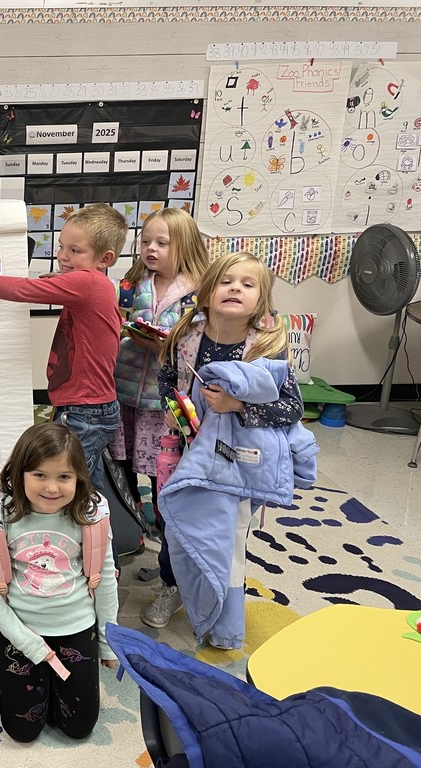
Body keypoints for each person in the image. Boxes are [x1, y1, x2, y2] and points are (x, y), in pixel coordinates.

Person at [154, 252, 308, 649]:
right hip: (187, 452)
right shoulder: (186, 339)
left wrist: (238, 406)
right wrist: (173, 411)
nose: (235, 288)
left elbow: (292, 408)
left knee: (229, 536)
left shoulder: (265, 350)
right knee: (175, 524)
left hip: (239, 462)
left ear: (261, 300)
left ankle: (224, 619)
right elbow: (167, 384)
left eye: (247, 283)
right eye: (226, 281)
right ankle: (175, 586)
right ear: (206, 293)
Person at [0, 204, 127, 493]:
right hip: (84, 406)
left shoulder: (89, 282)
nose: (62, 256)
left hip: (86, 411)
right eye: (61, 247)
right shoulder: (95, 283)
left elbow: (24, 290)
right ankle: (96, 533)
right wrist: (59, 279)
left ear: (105, 258)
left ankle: (85, 534)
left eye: (75, 251)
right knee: (86, 484)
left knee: (71, 487)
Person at [0, 421, 119, 743]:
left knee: (78, 728)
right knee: (22, 730)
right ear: (18, 473)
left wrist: (107, 641)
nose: (52, 488)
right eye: (39, 475)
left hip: (77, 626)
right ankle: (11, 651)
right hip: (21, 629)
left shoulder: (90, 515)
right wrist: (20, 638)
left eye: (64, 477)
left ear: (78, 477)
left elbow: (105, 579)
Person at [109, 208, 207, 629]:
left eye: (162, 242)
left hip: (166, 407)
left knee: (167, 491)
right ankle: (132, 542)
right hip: (122, 396)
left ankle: (174, 580)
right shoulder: (130, 284)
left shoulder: (200, 292)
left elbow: (201, 346)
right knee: (122, 476)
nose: (150, 248)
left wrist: (163, 348)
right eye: (146, 240)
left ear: (183, 245)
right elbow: (113, 322)